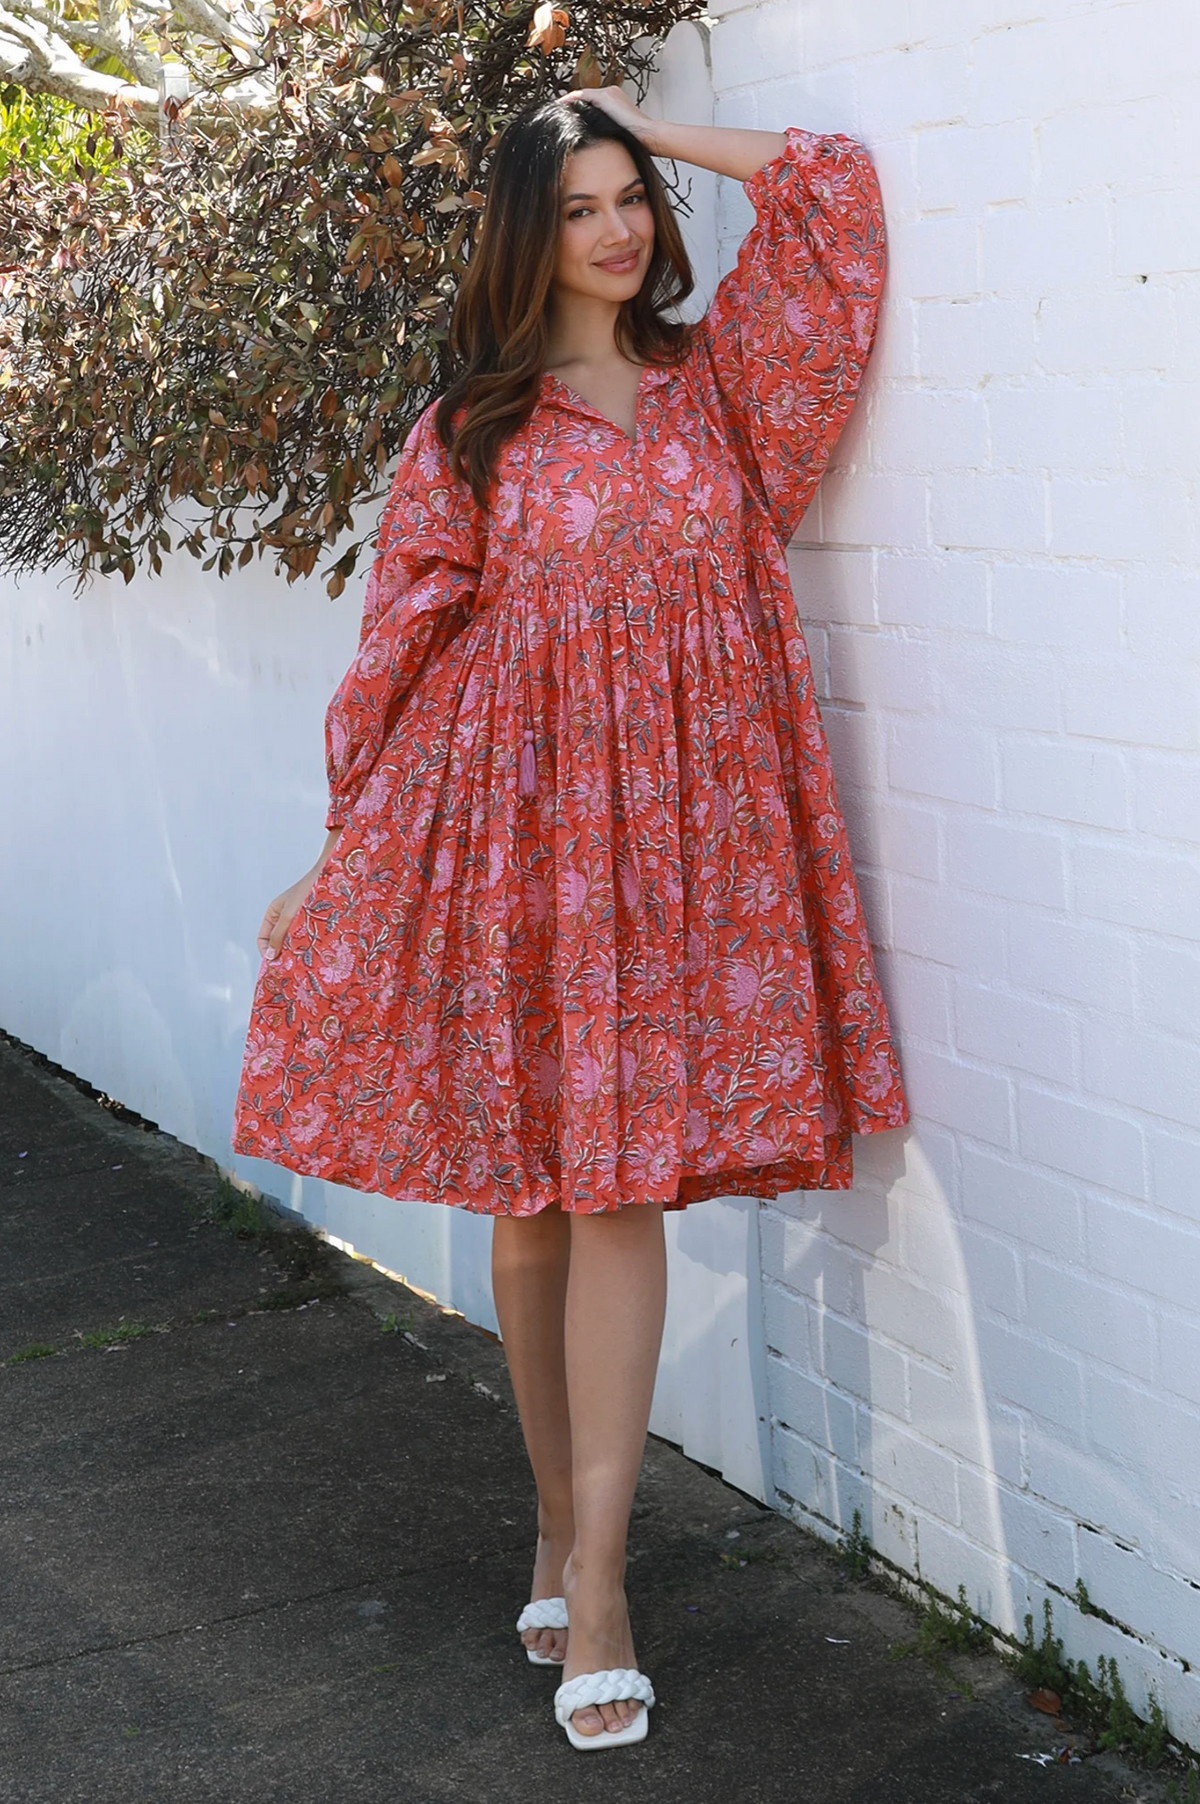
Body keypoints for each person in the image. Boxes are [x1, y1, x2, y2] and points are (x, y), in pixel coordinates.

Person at [232, 86, 908, 1751]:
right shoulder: (472, 425)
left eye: (630, 201)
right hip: (530, 846)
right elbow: (404, 647)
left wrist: (659, 131)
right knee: (535, 1203)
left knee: (616, 1200)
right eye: (584, 204)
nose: (616, 231)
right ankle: (557, 1519)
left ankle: (596, 1578)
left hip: (689, 843)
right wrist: (352, 846)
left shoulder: (721, 394)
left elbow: (833, 201)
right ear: (527, 233)